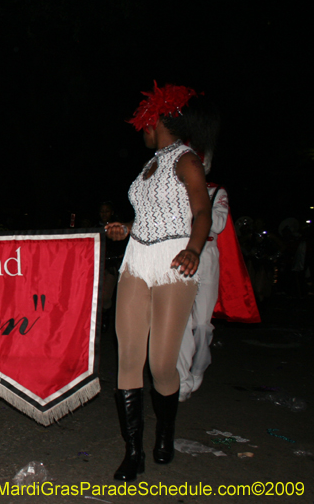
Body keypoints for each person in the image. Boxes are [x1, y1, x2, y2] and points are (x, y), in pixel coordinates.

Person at [105, 81, 216, 481]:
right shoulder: (149, 165)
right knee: (129, 357)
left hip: (174, 261)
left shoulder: (186, 159)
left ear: (157, 120)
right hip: (137, 259)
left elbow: (201, 211)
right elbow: (155, 217)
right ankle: (133, 450)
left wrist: (194, 249)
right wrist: (127, 228)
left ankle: (165, 432)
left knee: (162, 364)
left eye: (144, 124)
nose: (141, 131)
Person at [176, 178, 228, 402]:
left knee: (203, 325)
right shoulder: (178, 188)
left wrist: (198, 201)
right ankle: (182, 380)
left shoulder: (217, 191)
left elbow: (218, 224)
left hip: (207, 255)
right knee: (182, 322)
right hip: (183, 252)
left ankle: (198, 369)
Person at [98, 201, 127, 330]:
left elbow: (123, 245)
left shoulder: (118, 227)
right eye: (102, 211)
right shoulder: (95, 227)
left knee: (105, 295)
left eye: (107, 211)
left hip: (111, 265)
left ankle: (105, 318)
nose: (104, 214)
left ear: (112, 212)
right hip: (97, 263)